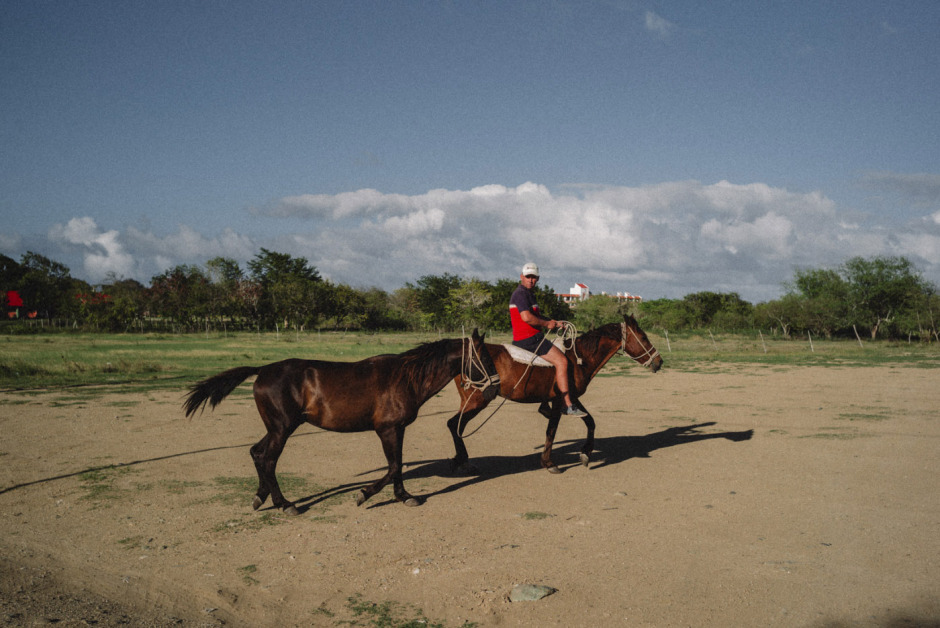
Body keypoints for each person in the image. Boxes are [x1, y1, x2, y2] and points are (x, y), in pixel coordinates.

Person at [509, 262, 587, 417]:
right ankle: (567, 405)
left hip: (532, 338)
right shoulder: (521, 294)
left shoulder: (529, 294)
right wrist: (546, 324)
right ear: (521, 277)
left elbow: (536, 317)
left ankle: (545, 403)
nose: (531, 280)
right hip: (529, 340)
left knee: (552, 364)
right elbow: (527, 318)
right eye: (528, 277)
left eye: (534, 277)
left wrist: (555, 322)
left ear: (537, 278)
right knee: (562, 362)